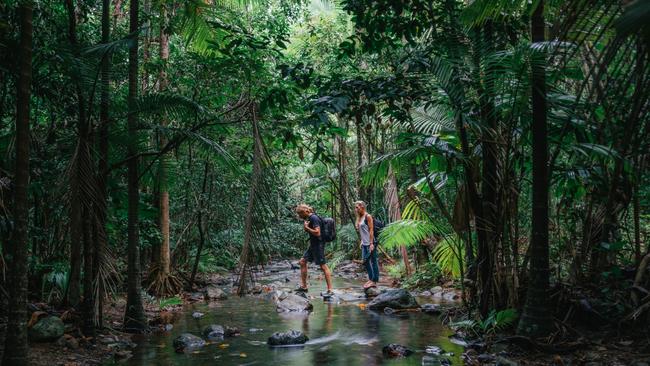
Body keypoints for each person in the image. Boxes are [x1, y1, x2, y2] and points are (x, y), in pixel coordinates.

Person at [295, 204, 333, 295]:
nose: (300, 216)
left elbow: (317, 233)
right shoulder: (310, 218)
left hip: (318, 245)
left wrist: (307, 228)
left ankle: (330, 290)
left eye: (300, 214)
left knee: (323, 266)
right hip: (313, 245)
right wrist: (307, 228)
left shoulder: (313, 218)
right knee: (302, 262)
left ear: (306, 212)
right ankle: (304, 287)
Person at [355, 201, 379, 288]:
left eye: (357, 207)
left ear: (362, 207)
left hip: (370, 243)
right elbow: (362, 231)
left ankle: (374, 280)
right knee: (365, 262)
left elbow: (371, 230)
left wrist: (371, 243)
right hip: (364, 243)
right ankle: (370, 279)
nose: (356, 209)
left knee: (373, 261)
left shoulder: (367, 216)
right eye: (355, 207)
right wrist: (362, 240)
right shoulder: (360, 217)